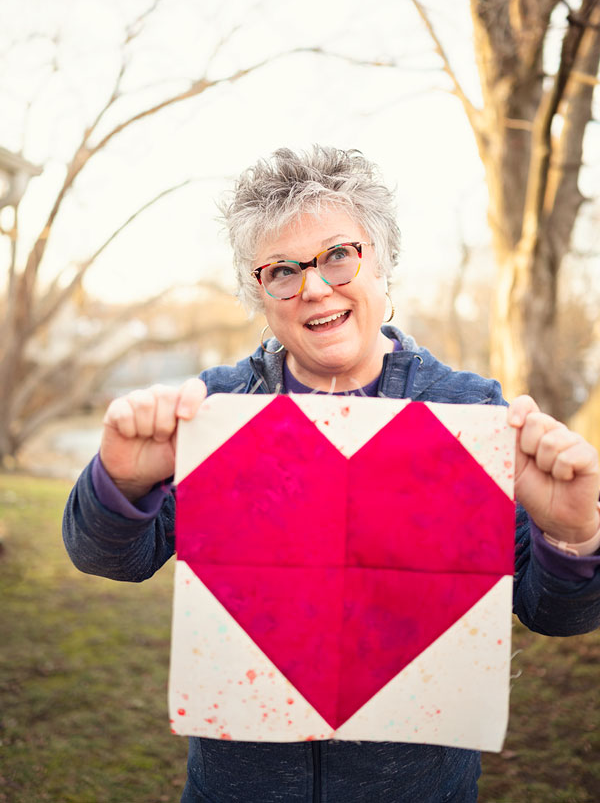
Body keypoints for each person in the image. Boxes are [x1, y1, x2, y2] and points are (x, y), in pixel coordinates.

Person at [63, 146, 600, 803]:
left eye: (338, 255)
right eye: (281, 271)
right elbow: (107, 557)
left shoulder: (470, 414)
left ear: (383, 261)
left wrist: (572, 535)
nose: (314, 287)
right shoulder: (213, 412)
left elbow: (560, 614)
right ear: (259, 294)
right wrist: (121, 483)